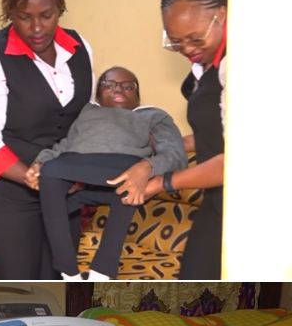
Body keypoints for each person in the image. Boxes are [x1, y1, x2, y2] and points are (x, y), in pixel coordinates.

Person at [0, 0, 94, 279]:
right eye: (24, 17)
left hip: (63, 188)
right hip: (5, 193)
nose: (36, 28)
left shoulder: (80, 48)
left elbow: (85, 117)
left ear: (60, 8)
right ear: (9, 13)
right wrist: (35, 178)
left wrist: (80, 171)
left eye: (46, 15)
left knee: (60, 275)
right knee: (21, 276)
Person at [117, 0, 228, 280]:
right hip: (218, 198)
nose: (186, 48)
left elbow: (235, 162)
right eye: (176, 41)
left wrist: (163, 182)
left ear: (222, 15)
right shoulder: (206, 60)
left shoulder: (239, 66)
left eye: (194, 38)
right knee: (195, 273)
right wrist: (166, 144)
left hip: (252, 201)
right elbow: (215, 136)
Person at [30, 67, 187, 281]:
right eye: (109, 85)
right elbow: (67, 144)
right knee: (48, 174)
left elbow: (176, 155)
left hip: (125, 167)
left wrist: (148, 166)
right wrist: (41, 161)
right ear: (97, 95)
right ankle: (67, 270)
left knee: (129, 188)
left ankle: (101, 272)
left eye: (128, 86)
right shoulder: (87, 111)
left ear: (138, 97)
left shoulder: (153, 115)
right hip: (75, 163)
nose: (119, 89)